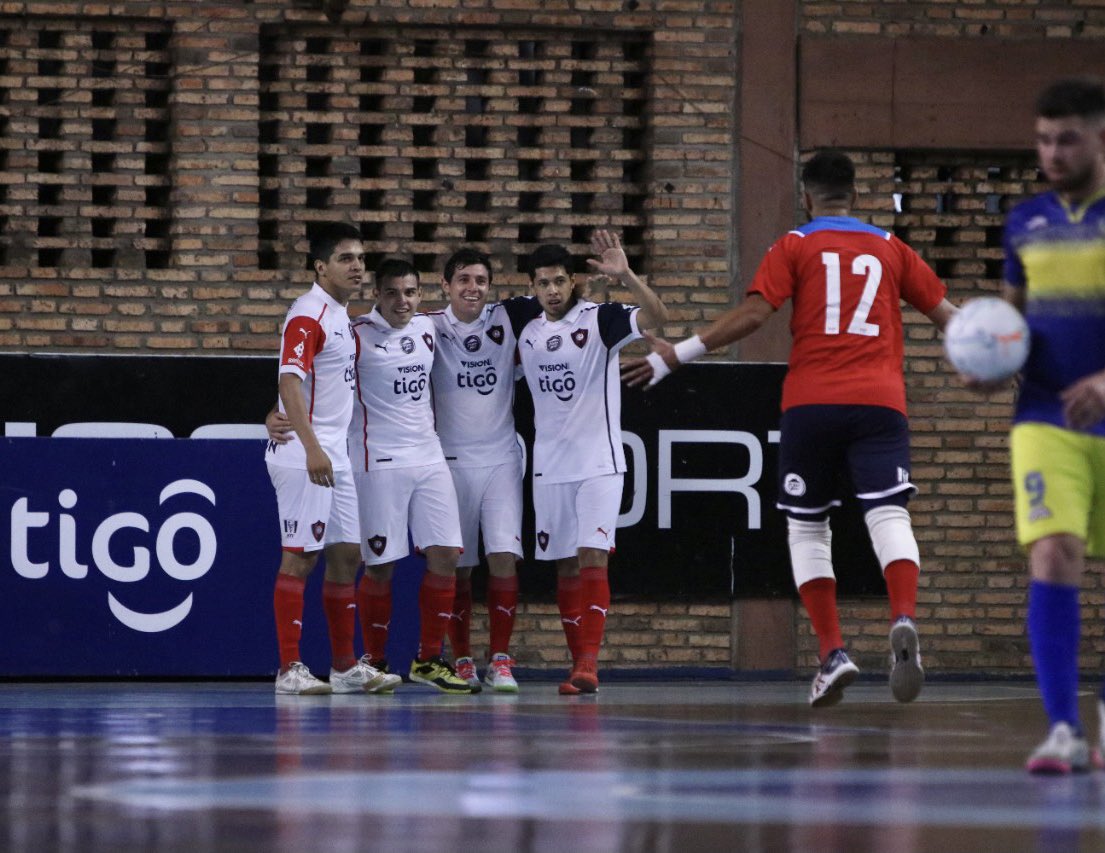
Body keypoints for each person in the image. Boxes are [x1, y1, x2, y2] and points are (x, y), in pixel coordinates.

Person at [623, 150, 956, 708]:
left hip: (813, 402)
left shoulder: (795, 244)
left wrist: (675, 356)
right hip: (881, 403)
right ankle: (903, 617)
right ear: (857, 196)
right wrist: (1003, 359)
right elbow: (950, 318)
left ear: (807, 197)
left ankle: (832, 655)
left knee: (807, 530)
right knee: (888, 513)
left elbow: (755, 315)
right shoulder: (892, 249)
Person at [993, 78, 1105, 774]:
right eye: (1041, 139)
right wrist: (986, 361)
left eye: (1066, 138)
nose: (1051, 152)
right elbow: (1011, 322)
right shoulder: (1022, 222)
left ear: (1098, 138)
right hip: (1042, 416)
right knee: (1052, 550)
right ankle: (1062, 728)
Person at [513, 230, 668, 694]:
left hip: (599, 462)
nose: (553, 291)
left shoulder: (601, 320)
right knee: (563, 565)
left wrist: (627, 276)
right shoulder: (526, 327)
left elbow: (659, 316)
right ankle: (575, 664)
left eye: (560, 281)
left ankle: (588, 664)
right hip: (549, 466)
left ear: (574, 280)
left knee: (591, 555)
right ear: (533, 287)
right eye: (543, 284)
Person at [264, 221, 400, 696]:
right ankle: (289, 670)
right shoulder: (308, 315)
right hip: (307, 454)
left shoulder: (342, 314)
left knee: (346, 556)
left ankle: (344, 667)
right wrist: (312, 447)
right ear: (321, 267)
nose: (357, 266)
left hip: (332, 454)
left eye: (361, 258)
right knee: (300, 558)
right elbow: (288, 383)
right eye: (345, 258)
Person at [347, 258, 476, 693]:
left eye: (410, 292)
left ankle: (427, 659)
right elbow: (314, 377)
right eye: (392, 293)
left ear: (421, 295)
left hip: (429, 457)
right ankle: (377, 660)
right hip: (378, 462)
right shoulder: (355, 335)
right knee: (380, 565)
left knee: (448, 556)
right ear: (376, 296)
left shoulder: (427, 328)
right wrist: (278, 411)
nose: (402, 301)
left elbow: (472, 311)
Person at [427, 248, 540, 692]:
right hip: (448, 462)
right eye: (463, 280)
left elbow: (565, 301)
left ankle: (500, 660)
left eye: (480, 280)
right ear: (445, 285)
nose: (472, 288)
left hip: (500, 460)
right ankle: (461, 660)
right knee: (457, 566)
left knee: (503, 559)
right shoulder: (428, 325)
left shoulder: (509, 318)